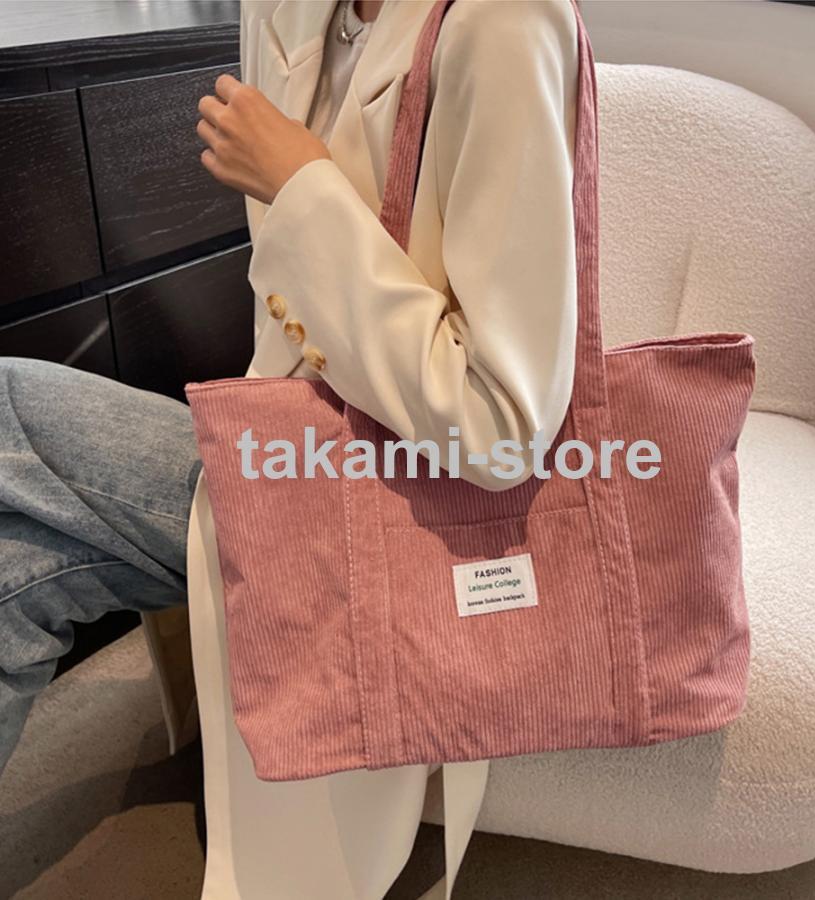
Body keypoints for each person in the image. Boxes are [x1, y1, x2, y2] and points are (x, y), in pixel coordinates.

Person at [0, 0, 580, 799]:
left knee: (8, 401)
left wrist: (302, 187)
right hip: (296, 448)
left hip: (409, 498)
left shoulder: (503, 21)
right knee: (15, 566)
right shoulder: (290, 7)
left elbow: (501, 432)